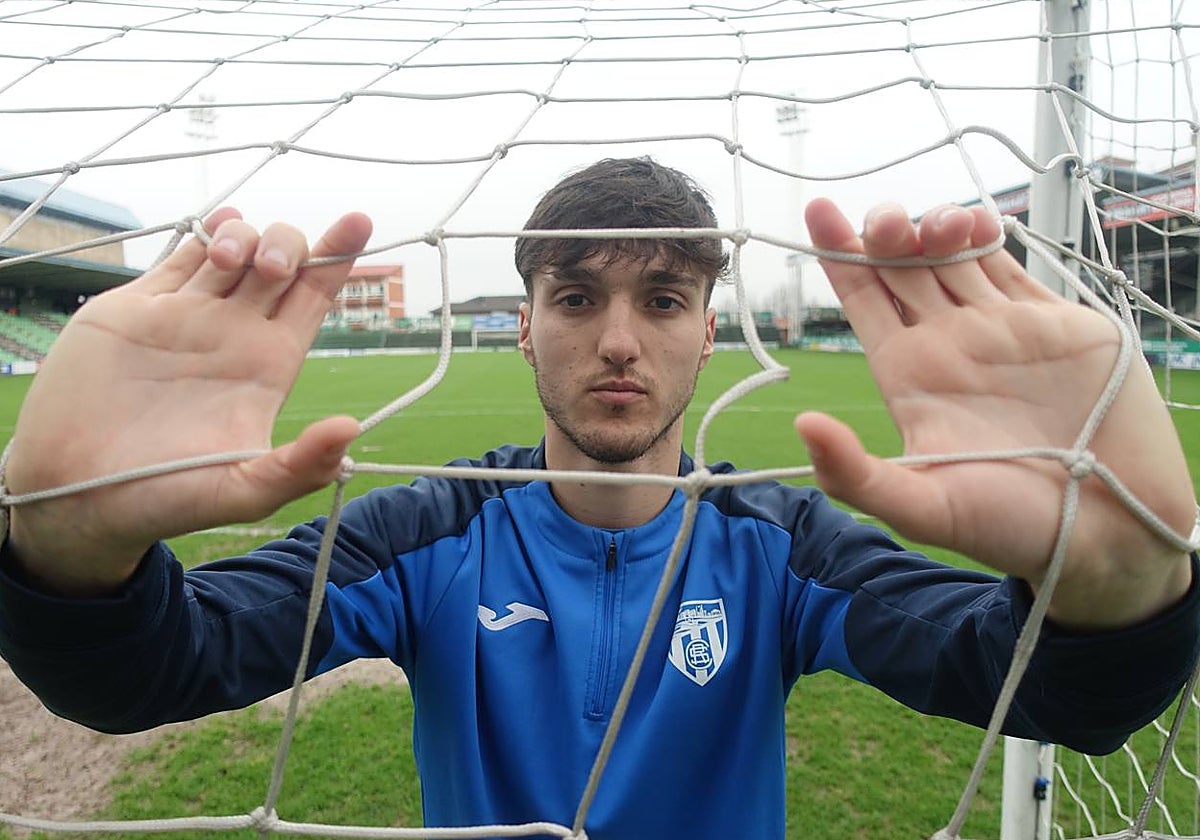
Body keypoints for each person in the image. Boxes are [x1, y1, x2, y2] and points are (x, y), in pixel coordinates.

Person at [0, 157, 1197, 839]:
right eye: (577, 299)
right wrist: (67, 545)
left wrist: (1118, 583)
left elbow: (1047, 693)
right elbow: (152, 672)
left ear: (710, 333)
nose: (619, 340)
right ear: (523, 327)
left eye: (664, 301)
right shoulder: (424, 532)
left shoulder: (784, 546)